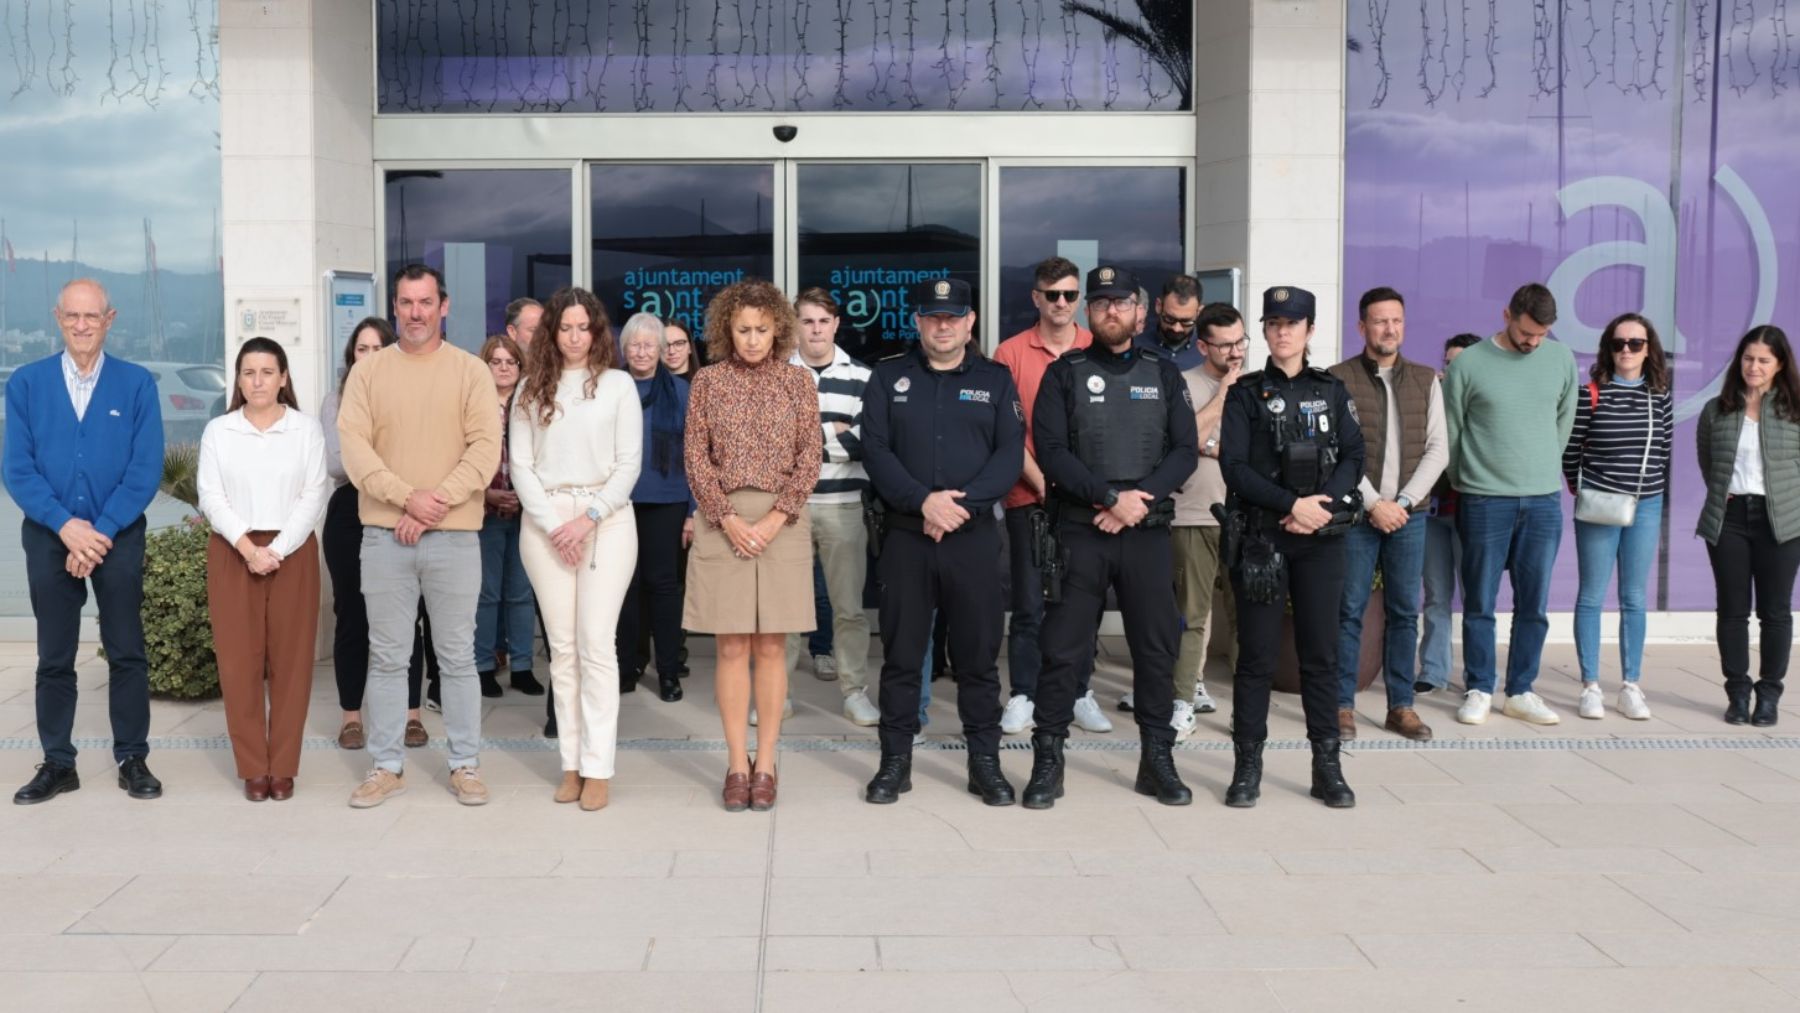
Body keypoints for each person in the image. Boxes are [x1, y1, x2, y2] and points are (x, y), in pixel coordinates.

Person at [1025, 266, 1200, 809]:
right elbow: (1051, 453)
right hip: (1081, 531)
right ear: (1087, 312)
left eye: (1120, 302)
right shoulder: (1065, 373)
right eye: (1100, 303)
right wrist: (1107, 498)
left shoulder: (1163, 373)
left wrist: (1136, 500)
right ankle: (1047, 761)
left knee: (1155, 649)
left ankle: (1157, 759)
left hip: (1144, 532)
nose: (1110, 311)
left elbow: (1184, 451)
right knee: (1062, 650)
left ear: (1139, 312)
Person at [337, 264, 501, 808]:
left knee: (456, 656)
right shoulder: (368, 374)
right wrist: (408, 498)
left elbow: (484, 450)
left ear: (443, 306)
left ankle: (465, 764)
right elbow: (356, 451)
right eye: (406, 303)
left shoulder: (471, 371)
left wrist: (432, 504)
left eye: (425, 302)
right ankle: (386, 766)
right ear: (395, 308)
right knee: (387, 657)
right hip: (385, 536)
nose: (415, 312)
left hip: (453, 538)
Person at [860, 278, 1025, 806]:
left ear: (970, 321)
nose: (943, 325)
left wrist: (959, 507)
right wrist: (922, 502)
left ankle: (985, 765)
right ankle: (894, 763)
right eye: (933, 317)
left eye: (953, 316)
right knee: (903, 656)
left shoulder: (996, 381)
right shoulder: (888, 378)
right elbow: (877, 451)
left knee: (978, 659)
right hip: (907, 539)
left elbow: (1008, 455)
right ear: (918, 321)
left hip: (972, 539)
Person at [5, 279, 165, 805]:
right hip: (50, 536)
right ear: (57, 317)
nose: (81, 325)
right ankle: (58, 763)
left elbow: (144, 470)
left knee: (126, 650)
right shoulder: (26, 384)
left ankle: (132, 758)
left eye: (91, 316)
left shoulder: (137, 384)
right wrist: (65, 526)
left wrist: (97, 532)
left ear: (110, 319)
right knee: (54, 654)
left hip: (116, 535)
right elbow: (18, 469)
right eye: (71, 316)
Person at [1218, 285, 1366, 809]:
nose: (1282, 331)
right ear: (1263, 330)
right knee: (1255, 657)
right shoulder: (1244, 393)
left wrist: (1321, 504)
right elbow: (1232, 467)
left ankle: (1326, 767)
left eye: (1292, 323)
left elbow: (1354, 454)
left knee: (1320, 656)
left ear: (1309, 330)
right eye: (1273, 322)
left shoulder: (1332, 390)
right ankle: (1247, 766)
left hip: (1321, 539)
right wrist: (1290, 504)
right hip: (1264, 538)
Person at [683, 280, 821, 812]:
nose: (753, 339)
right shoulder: (708, 382)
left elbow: (811, 456)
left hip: (783, 521)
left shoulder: (797, 383)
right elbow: (696, 457)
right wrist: (727, 518)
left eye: (762, 330)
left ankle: (767, 762)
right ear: (726, 330)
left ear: (778, 329)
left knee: (771, 646)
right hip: (723, 520)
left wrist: (775, 518)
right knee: (731, 645)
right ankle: (736, 762)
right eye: (743, 330)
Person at [512, 287, 642, 810]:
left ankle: (599, 767)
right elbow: (520, 465)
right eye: (564, 327)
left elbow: (628, 463)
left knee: (596, 645)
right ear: (552, 332)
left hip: (604, 522)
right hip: (545, 525)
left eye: (582, 327)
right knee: (561, 651)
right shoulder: (529, 388)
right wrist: (553, 523)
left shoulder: (617, 387)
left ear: (596, 332)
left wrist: (586, 519)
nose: (573, 336)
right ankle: (570, 764)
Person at [196, 337, 331, 801]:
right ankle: (253, 765)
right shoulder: (219, 431)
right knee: (239, 664)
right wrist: (247, 547)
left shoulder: (306, 430)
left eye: (267, 372)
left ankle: (284, 765)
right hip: (233, 552)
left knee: (292, 664)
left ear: (284, 377)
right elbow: (210, 495)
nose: (258, 381)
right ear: (238, 379)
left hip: (291, 554)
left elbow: (314, 493)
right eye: (249, 372)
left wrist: (277, 547)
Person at [1444, 283, 1580, 727]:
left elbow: (1564, 418)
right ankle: (1480, 687)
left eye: (1541, 335)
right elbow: (1452, 429)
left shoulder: (1560, 359)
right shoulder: (1471, 364)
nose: (1533, 342)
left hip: (1542, 499)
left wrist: (1542, 467)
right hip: (1484, 498)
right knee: (1481, 600)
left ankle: (1521, 690)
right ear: (1507, 314)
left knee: (1533, 603)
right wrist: (1470, 478)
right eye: (1526, 333)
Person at [1326, 287, 1447, 742]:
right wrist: (1374, 503)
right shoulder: (1338, 380)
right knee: (1349, 610)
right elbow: (1336, 451)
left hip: (1409, 517)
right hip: (1359, 516)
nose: (1389, 329)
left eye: (1396, 320)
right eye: (1379, 321)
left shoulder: (1424, 379)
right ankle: (1341, 706)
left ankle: (1401, 707)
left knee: (1403, 612)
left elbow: (1439, 449)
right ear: (1362, 327)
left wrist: (1402, 504)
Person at [989, 256, 1101, 737]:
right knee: (1030, 604)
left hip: (1086, 503)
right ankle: (1024, 694)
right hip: (1026, 497)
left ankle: (1079, 691)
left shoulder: (1099, 348)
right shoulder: (1009, 353)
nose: (1060, 303)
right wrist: (1043, 484)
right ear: (1035, 297)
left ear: (1079, 300)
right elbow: (1006, 433)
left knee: (1082, 603)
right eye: (1051, 294)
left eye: (1069, 295)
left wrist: (1082, 489)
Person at [320, 319, 433, 751]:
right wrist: (387, 462)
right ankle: (352, 716)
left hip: (402, 509)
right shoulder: (337, 400)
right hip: (351, 511)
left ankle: (411, 716)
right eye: (360, 349)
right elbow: (336, 463)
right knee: (353, 616)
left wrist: (369, 458)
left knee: (409, 618)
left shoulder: (413, 395)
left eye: (376, 348)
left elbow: (426, 456)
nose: (367, 356)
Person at [1562, 313, 1673, 721]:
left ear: (1649, 349)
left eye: (1636, 343)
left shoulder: (1658, 395)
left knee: (1634, 597)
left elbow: (1663, 449)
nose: (1626, 350)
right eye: (1619, 343)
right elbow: (1571, 451)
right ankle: (1590, 685)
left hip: (1646, 503)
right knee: (1592, 595)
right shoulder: (1590, 393)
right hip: (1599, 504)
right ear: (1608, 348)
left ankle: (1630, 684)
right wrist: (1585, 491)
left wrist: (1647, 493)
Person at [1697, 325, 1800, 727]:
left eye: (1763, 360)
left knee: (1775, 613)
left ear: (1779, 365)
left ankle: (1769, 693)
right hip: (1731, 520)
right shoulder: (1716, 409)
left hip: (1782, 521)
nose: (1753, 367)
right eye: (1747, 358)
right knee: (1732, 611)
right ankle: (1738, 692)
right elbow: (1710, 464)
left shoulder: (1794, 410)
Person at [785, 289, 879, 727]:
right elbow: (771, 447)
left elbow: (869, 444)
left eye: (823, 321)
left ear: (837, 324)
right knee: (784, 609)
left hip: (844, 507)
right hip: (788, 509)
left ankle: (854, 691)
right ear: (796, 326)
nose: (816, 329)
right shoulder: (778, 375)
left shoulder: (863, 377)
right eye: (807, 321)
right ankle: (775, 693)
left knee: (848, 609)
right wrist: (835, 433)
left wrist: (809, 440)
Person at [1158, 301, 1246, 735]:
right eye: (1225, 345)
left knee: (1246, 614)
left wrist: (1213, 447)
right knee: (1193, 614)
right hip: (1193, 514)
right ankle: (1182, 700)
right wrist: (1226, 391)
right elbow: (1183, 439)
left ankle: (1248, 706)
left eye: (1240, 342)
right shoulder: (1183, 383)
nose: (1235, 352)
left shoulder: (1260, 385)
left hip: (1245, 516)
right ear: (1202, 345)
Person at [617, 313, 696, 703]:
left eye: (651, 345)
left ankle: (667, 671)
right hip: (618, 503)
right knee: (624, 589)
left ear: (663, 351)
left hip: (668, 501)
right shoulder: (610, 388)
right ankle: (626, 666)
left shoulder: (682, 392)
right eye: (636, 344)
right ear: (624, 349)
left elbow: (698, 454)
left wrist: (693, 510)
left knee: (663, 587)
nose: (643, 352)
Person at [474, 334, 542, 698]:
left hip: (524, 513)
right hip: (483, 511)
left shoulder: (530, 403)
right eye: (495, 361)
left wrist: (524, 498)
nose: (503, 368)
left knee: (520, 593)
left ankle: (522, 667)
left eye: (510, 362)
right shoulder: (472, 404)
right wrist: (485, 492)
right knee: (485, 594)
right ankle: (484, 666)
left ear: (520, 367)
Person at [1416, 333, 1481, 694]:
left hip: (1471, 511)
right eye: (1448, 363)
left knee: (1475, 597)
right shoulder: (1431, 400)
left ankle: (1478, 674)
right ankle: (1433, 671)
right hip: (1432, 512)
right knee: (1436, 595)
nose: (1452, 370)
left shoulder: (1481, 403)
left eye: (1461, 364)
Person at [1134, 274, 1205, 371]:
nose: (1176, 328)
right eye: (1170, 319)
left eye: (1186, 321)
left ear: (1199, 313)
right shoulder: (1135, 344)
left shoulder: (1209, 349)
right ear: (1158, 306)